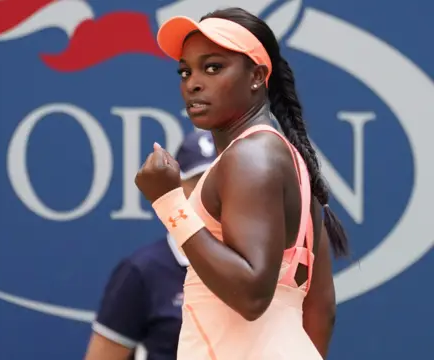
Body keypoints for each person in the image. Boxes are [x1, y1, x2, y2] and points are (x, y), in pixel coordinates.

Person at [134, 7, 349, 360]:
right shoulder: (283, 162)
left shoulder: (251, 155)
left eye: (213, 67)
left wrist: (169, 203)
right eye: (185, 71)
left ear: (256, 76)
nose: (193, 82)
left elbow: (251, 295)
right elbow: (322, 308)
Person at [84, 130, 218, 360]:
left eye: (220, 180)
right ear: (177, 186)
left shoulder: (259, 264)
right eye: (198, 180)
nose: (211, 191)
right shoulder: (142, 271)